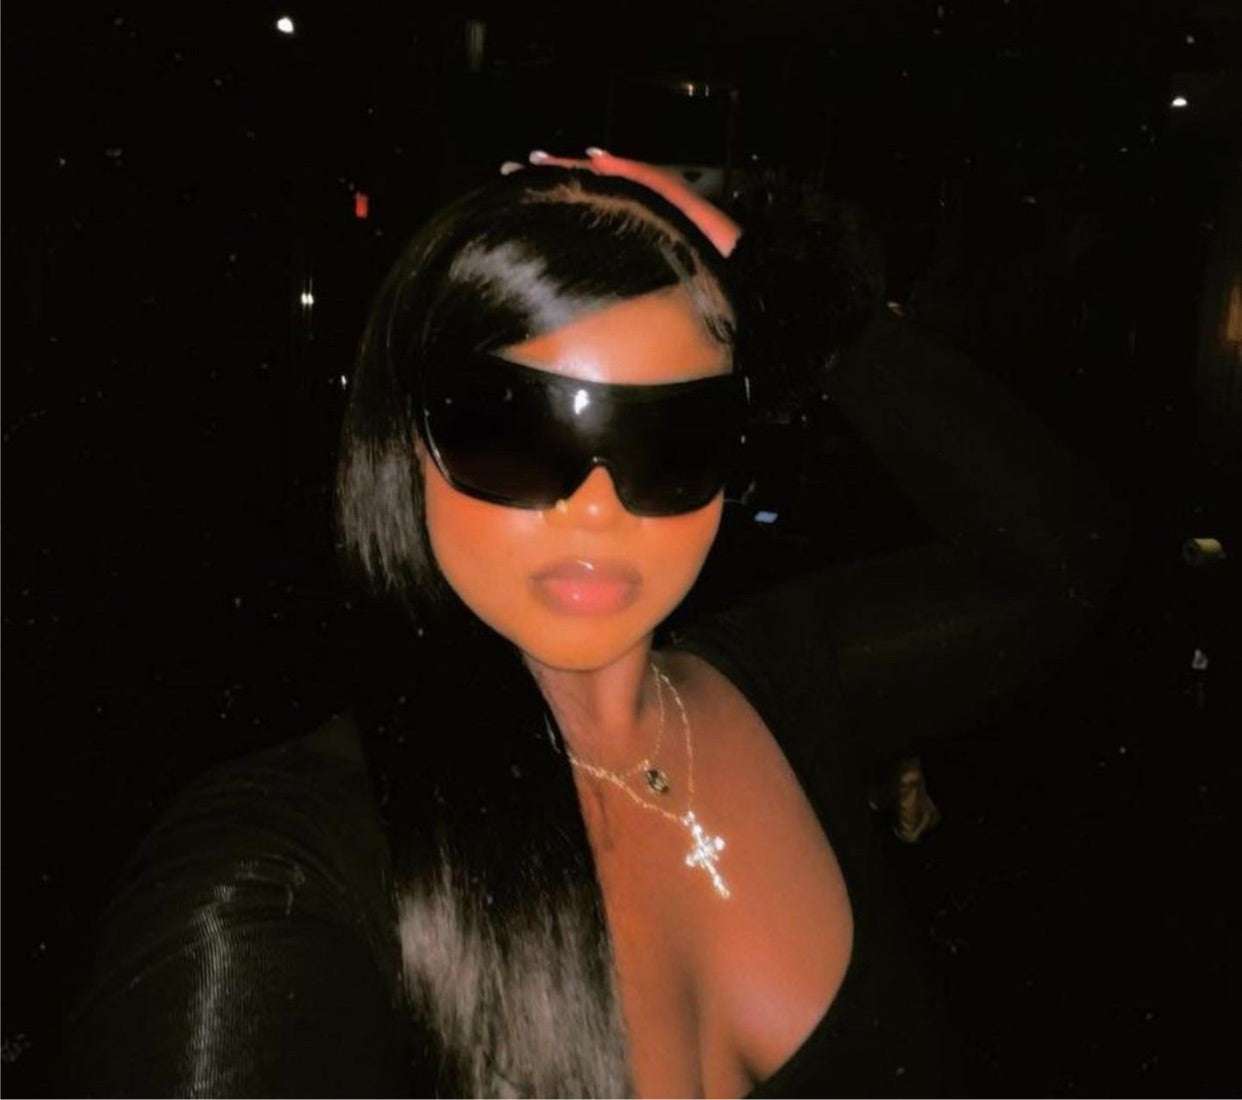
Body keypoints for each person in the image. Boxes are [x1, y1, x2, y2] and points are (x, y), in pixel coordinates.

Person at [66, 150, 1130, 1098]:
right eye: (515, 428)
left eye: (671, 439)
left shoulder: (780, 678)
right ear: (409, 440)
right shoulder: (284, 872)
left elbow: (1060, 563)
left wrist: (812, 304)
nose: (596, 505)